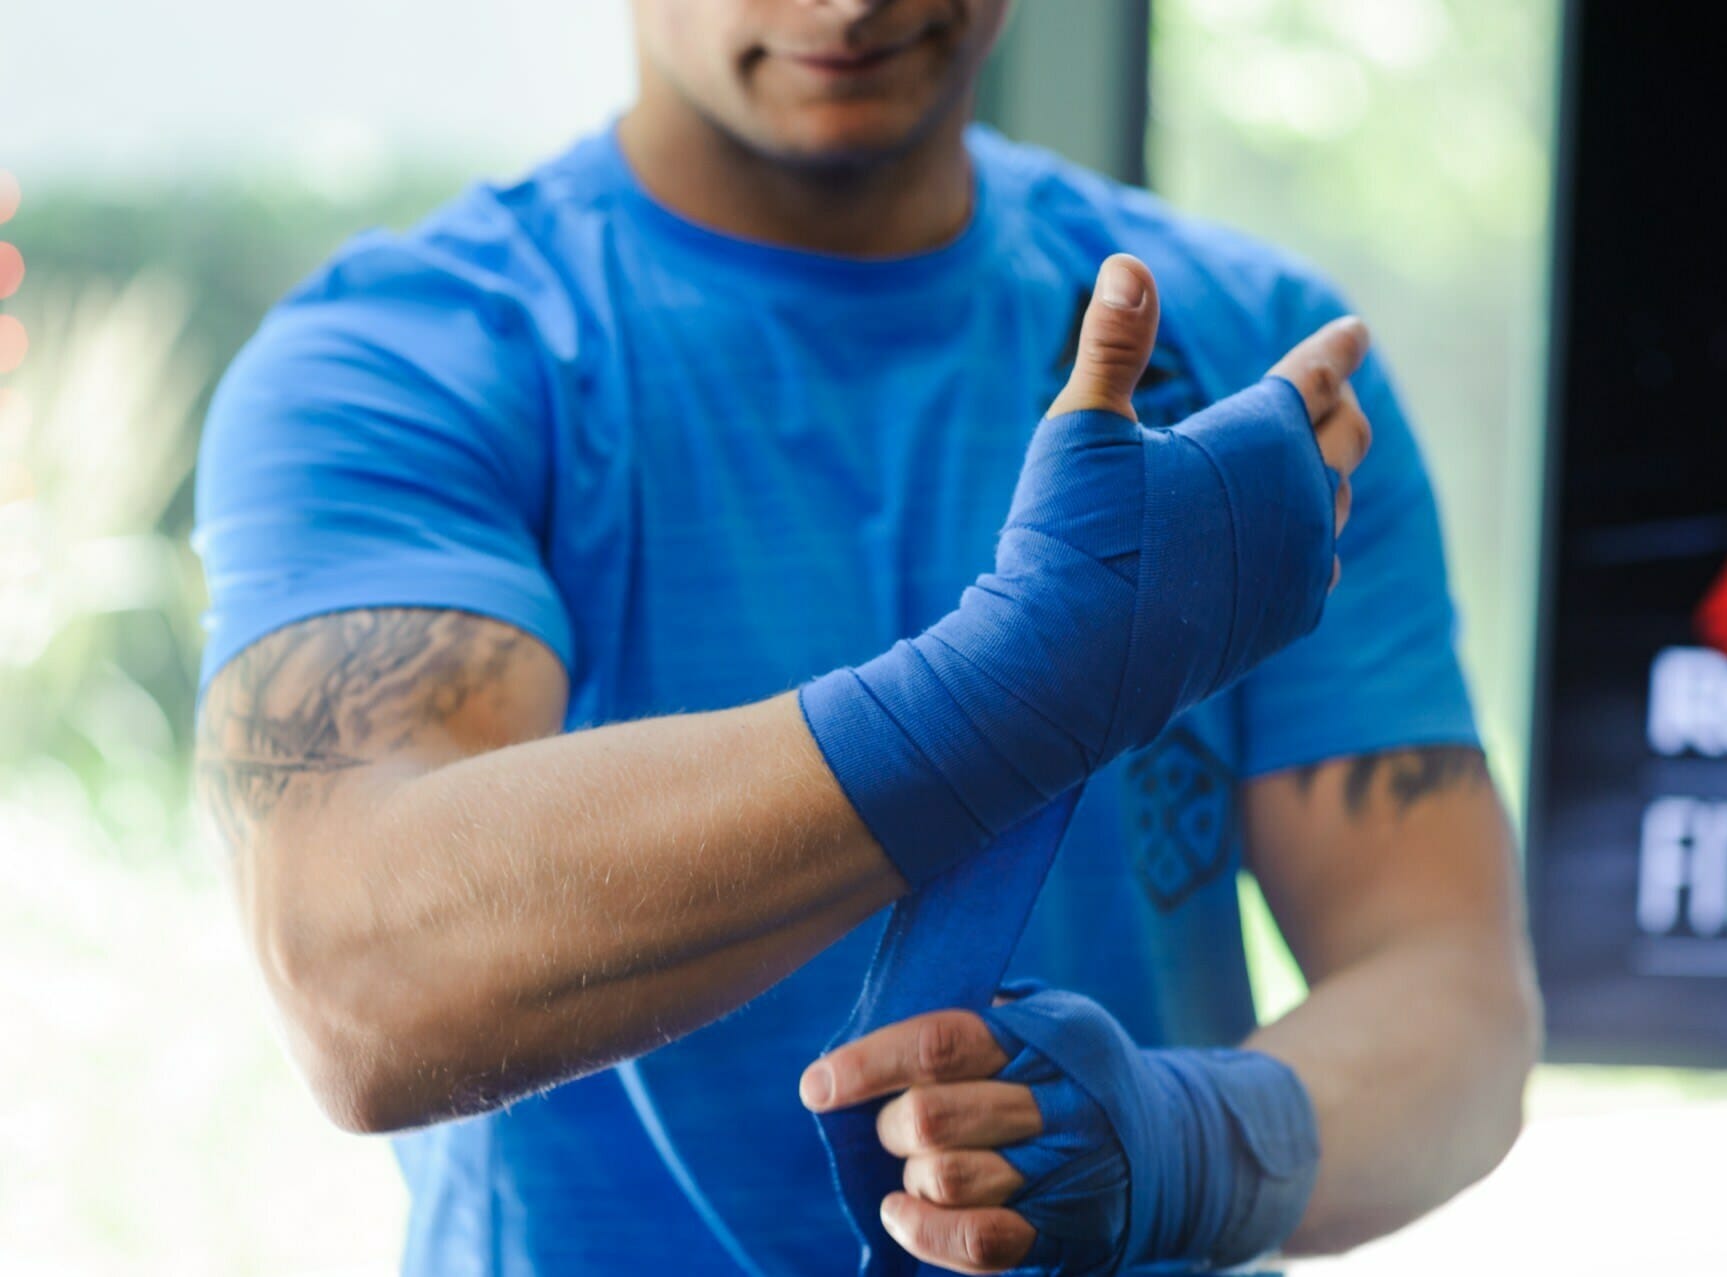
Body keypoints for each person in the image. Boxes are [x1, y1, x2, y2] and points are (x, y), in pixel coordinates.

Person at [192, 2, 1542, 1273]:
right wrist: (1024, 680)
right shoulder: (411, 358)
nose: (847, 5)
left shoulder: (1241, 355)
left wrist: (1190, 1142)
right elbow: (360, 979)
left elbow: (1453, 994)